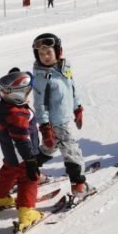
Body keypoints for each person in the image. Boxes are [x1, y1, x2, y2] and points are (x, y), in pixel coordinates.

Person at [0, 71, 43, 232]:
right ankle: (26, 212)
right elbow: (21, 139)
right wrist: (30, 160)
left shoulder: (0, 102)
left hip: (9, 150)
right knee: (29, 178)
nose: (29, 95)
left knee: (8, 170)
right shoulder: (17, 115)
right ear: (17, 95)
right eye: (27, 92)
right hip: (22, 153)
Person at [31, 33, 89, 198]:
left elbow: (72, 88)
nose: (45, 57)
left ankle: (28, 171)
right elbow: (40, 105)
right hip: (56, 122)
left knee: (49, 148)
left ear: (58, 51)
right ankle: (78, 184)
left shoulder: (65, 68)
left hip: (63, 117)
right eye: (41, 54)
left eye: (48, 52)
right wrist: (44, 127)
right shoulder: (42, 77)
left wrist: (77, 108)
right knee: (71, 150)